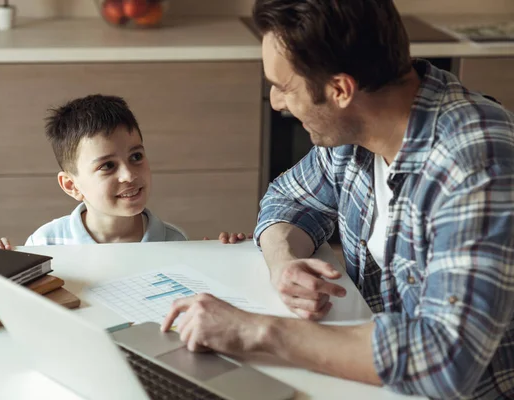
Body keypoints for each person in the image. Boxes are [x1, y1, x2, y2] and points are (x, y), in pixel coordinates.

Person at [161, 1, 514, 399]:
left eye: (284, 86)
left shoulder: (475, 162)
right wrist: (284, 261)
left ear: (340, 89)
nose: (276, 102)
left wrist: (255, 330)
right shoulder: (355, 133)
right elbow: (288, 199)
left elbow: (447, 359)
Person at [0, 94, 187, 248]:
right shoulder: (46, 243)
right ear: (72, 186)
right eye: (107, 166)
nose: (129, 175)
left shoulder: (176, 242)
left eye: (136, 157)